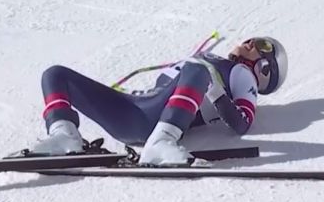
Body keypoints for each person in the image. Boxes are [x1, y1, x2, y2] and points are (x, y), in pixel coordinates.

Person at [31, 36, 288, 165]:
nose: (250, 42)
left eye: (262, 45)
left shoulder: (241, 74)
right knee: (55, 74)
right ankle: (63, 134)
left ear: (266, 69)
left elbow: (242, 123)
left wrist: (214, 90)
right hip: (136, 109)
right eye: (251, 40)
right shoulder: (213, 62)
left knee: (198, 70)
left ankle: (163, 140)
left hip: (156, 120)